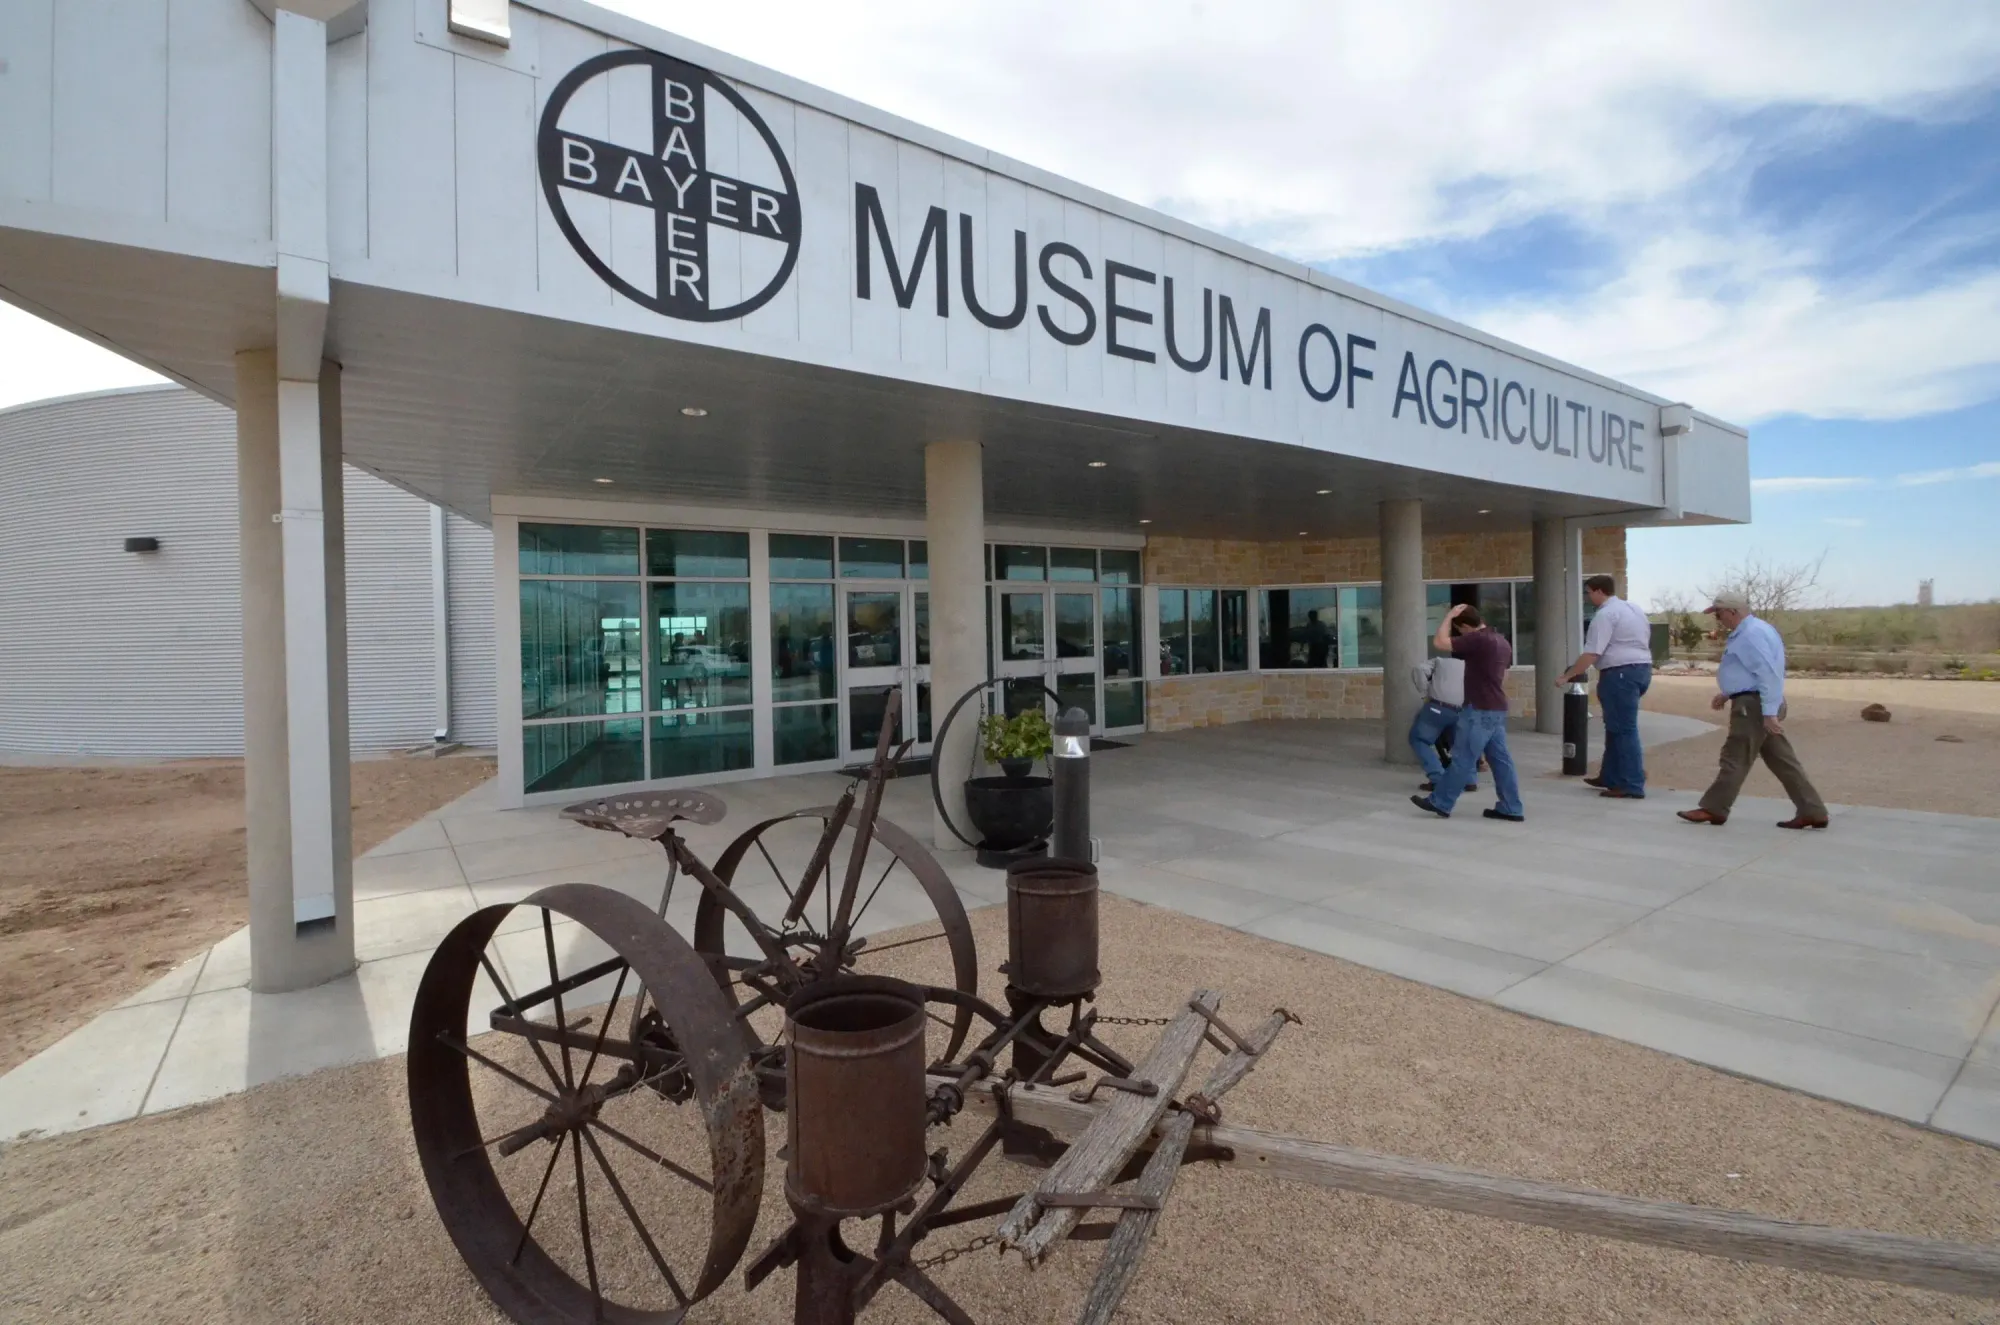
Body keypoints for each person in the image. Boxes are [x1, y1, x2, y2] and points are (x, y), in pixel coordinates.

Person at [1676, 591, 1829, 829]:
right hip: (1755, 701)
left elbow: (1767, 673)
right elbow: (1750, 672)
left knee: (1735, 755)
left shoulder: (1750, 635)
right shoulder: (1756, 630)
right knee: (1782, 760)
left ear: (1733, 612)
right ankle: (1813, 810)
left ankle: (1714, 808)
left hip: (1753, 706)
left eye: (1719, 613)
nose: (1718, 619)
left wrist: (1768, 713)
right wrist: (1727, 692)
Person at [1412, 604, 1523, 822]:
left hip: (1479, 709)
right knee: (1501, 761)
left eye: (1459, 629)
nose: (1460, 634)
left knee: (1463, 757)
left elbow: (1439, 642)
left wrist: (1449, 615)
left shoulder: (1478, 638)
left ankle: (1440, 802)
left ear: (1464, 626)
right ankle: (1511, 807)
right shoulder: (1501, 641)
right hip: (1497, 708)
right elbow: (1504, 676)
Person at [1558, 574, 1654, 799]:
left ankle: (1632, 783)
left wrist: (1568, 675)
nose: (1588, 597)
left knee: (1624, 729)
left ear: (1599, 591)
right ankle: (1609, 776)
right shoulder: (1634, 609)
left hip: (1619, 673)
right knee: (1615, 726)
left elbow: (1592, 652)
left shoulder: (1605, 615)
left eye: (1589, 592)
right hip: (1641, 669)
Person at [1407, 652, 1475, 792]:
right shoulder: (1472, 665)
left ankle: (1438, 778)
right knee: (1459, 744)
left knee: (1418, 739)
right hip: (1462, 709)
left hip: (1438, 706)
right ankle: (1469, 780)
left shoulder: (1439, 661)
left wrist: (1425, 690)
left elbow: (1419, 669)